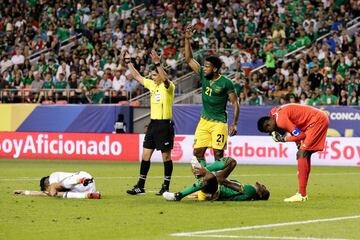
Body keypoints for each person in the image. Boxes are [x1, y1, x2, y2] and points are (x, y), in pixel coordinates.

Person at [184, 24, 239, 167]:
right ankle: (205, 181)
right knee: (198, 152)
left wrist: (234, 123)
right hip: (204, 121)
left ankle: (217, 182)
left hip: (219, 122)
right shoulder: (203, 74)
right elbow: (189, 59)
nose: (204, 67)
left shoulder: (226, 83)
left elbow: (235, 102)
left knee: (218, 154)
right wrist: (187, 39)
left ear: (214, 69)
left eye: (207, 66)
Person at [123, 50, 176, 196]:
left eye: (154, 75)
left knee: (166, 157)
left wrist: (157, 63)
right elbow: (137, 76)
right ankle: (140, 186)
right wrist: (128, 62)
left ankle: (166, 186)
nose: (152, 78)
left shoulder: (169, 86)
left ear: (160, 75)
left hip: (165, 125)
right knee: (145, 155)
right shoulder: (152, 85)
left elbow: (165, 79)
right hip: (153, 125)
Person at [257, 103, 329, 202]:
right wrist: (298, 143)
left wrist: (284, 139)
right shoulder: (275, 113)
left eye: (268, 130)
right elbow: (293, 127)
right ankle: (302, 192)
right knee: (304, 154)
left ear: (268, 125)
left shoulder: (280, 121)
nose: (271, 132)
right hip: (316, 119)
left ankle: (302, 194)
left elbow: (301, 135)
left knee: (302, 153)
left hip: (316, 121)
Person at [163, 156, 270, 201]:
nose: (263, 186)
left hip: (214, 193)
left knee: (211, 177)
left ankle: (178, 195)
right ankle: (202, 170)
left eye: (264, 189)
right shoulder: (247, 193)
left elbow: (225, 182)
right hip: (212, 190)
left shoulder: (251, 191)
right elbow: (226, 183)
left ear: (260, 195)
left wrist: (212, 174)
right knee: (230, 162)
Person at [14, 171, 101, 199]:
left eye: (45, 189)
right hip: (90, 188)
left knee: (60, 186)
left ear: (46, 185)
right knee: (60, 194)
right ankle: (89, 196)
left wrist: (51, 192)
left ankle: (81, 180)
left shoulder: (53, 176)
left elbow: (53, 188)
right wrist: (25, 192)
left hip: (84, 178)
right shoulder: (51, 189)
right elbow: (45, 193)